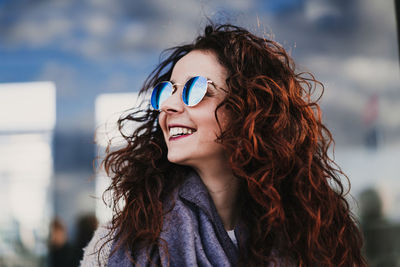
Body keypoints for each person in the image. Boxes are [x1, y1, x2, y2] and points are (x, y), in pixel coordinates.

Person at [81, 23, 367, 266]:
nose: (167, 105)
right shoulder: (116, 246)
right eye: (167, 91)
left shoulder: (309, 237)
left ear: (247, 110)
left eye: (195, 89)